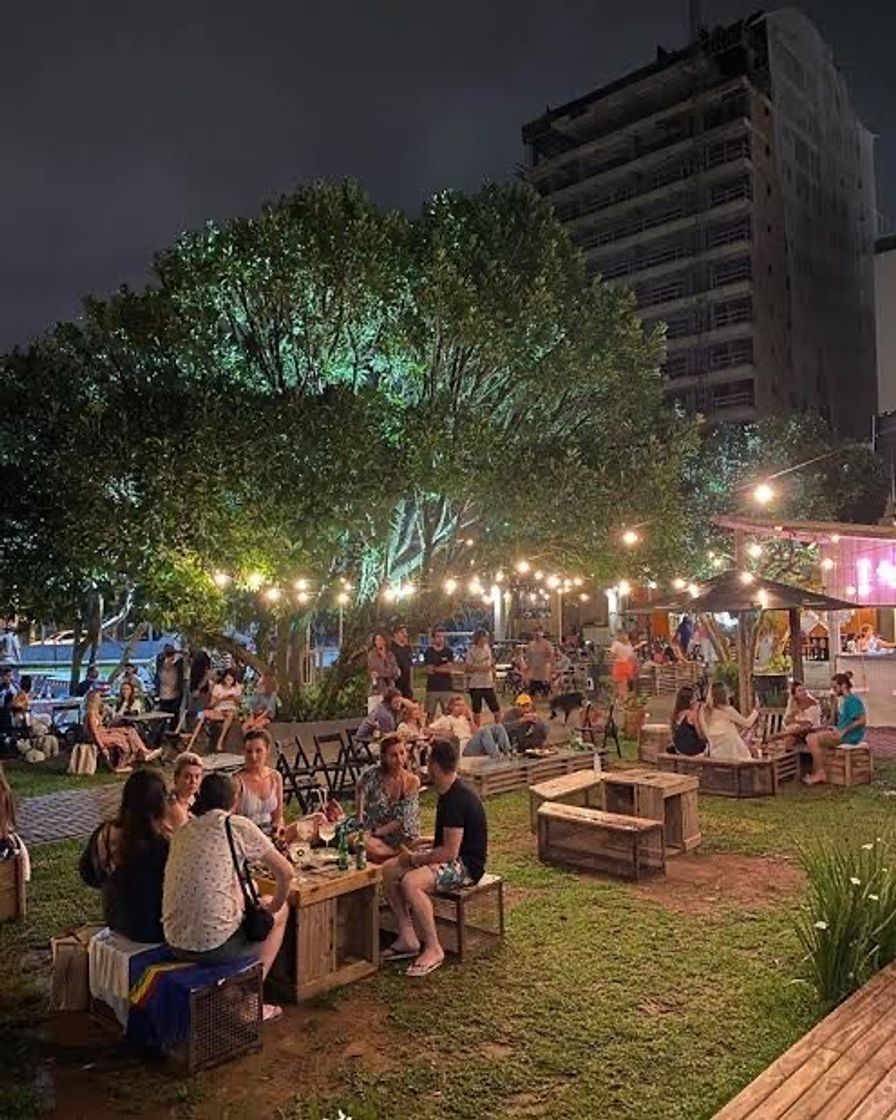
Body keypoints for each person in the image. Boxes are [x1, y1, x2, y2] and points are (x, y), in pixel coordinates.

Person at [162, 772, 292, 1022]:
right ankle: (251, 998)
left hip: (175, 941)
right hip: (213, 947)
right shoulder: (237, 826)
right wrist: (272, 909)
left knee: (248, 893)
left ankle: (232, 989)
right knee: (281, 910)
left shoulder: (185, 830)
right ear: (235, 800)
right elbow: (286, 873)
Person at [382, 736, 487, 977]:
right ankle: (408, 936)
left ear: (435, 766)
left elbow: (450, 852)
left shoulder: (457, 799)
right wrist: (424, 844)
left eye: (428, 762)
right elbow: (448, 841)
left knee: (411, 882)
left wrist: (416, 859)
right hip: (453, 855)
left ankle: (433, 947)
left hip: (467, 866)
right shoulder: (447, 792)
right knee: (389, 870)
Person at [79, 769, 170, 943]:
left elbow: (88, 874)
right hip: (153, 928)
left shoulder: (105, 831)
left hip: (115, 918)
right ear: (160, 803)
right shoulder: (161, 843)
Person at [356, 734, 421, 863]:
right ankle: (400, 855)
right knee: (358, 841)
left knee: (366, 847)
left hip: (402, 834)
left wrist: (376, 832)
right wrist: (360, 817)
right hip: (375, 829)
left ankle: (399, 853)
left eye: (402, 753)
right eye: (393, 755)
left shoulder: (411, 781)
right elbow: (360, 788)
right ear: (384, 757)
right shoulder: (372, 774)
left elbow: (402, 819)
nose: (399, 759)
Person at [804, 673, 867, 785]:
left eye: (835, 687)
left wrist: (843, 731)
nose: (833, 690)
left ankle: (820, 773)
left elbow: (861, 721)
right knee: (814, 736)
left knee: (811, 739)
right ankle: (819, 772)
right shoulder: (844, 700)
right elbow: (844, 721)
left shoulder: (853, 700)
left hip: (849, 736)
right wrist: (830, 727)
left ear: (843, 686)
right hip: (841, 733)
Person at [84, 691, 161, 772]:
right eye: (98, 698)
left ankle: (144, 751)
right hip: (98, 736)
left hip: (104, 731)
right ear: (93, 700)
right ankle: (121, 765)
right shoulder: (90, 714)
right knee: (123, 739)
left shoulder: (96, 712)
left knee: (129, 730)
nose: (100, 700)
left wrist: (104, 715)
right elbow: (94, 732)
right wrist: (102, 747)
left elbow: (100, 725)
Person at [429, 694, 512, 759]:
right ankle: (496, 757)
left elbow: (475, 732)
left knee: (498, 727)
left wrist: (470, 719)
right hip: (463, 747)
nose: (460, 708)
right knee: (484, 730)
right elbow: (427, 730)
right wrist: (444, 732)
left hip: (473, 743)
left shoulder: (465, 718)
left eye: (462, 705)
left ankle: (508, 752)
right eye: (457, 705)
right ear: (451, 706)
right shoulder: (446, 719)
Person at [697, 682, 760, 761]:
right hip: (734, 756)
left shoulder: (704, 712)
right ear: (724, 695)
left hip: (716, 756)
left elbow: (707, 733)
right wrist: (756, 710)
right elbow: (747, 723)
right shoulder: (727, 710)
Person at [186, 668, 243, 752]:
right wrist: (221, 699)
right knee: (202, 714)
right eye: (227, 679)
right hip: (218, 709)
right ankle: (194, 736)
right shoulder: (217, 687)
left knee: (230, 714)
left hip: (231, 709)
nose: (229, 682)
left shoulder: (236, 688)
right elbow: (211, 705)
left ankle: (220, 740)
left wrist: (234, 698)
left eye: (231, 680)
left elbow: (240, 703)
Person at [465, 629, 501, 728]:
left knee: (496, 708)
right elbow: (467, 668)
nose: (486, 639)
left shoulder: (487, 649)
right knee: (477, 710)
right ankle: (477, 729)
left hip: (487, 683)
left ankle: (499, 728)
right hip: (476, 684)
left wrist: (494, 677)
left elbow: (491, 664)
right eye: (484, 637)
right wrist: (480, 669)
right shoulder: (472, 651)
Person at [166, 751, 204, 831]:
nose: (193, 781)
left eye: (197, 776)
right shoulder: (168, 804)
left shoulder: (200, 800)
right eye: (187, 777)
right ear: (176, 778)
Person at [423, 627, 455, 720]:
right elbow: (428, 669)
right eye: (438, 636)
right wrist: (442, 667)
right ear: (433, 638)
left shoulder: (448, 651)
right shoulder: (428, 652)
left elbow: (449, 669)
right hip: (432, 688)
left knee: (448, 714)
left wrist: (435, 669)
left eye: (442, 636)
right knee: (430, 714)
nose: (440, 639)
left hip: (446, 688)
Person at [781, 681, 822, 748]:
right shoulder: (793, 705)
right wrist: (795, 721)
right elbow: (786, 721)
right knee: (790, 739)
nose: (803, 692)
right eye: (800, 691)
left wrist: (795, 721)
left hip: (812, 732)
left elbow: (811, 723)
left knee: (791, 736)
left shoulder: (813, 704)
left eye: (804, 689)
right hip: (797, 733)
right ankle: (790, 757)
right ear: (795, 695)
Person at [367, 632, 400, 714]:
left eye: (381, 640)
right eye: (377, 640)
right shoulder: (372, 655)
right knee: (375, 715)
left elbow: (396, 673)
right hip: (377, 689)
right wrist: (386, 671)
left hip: (389, 689)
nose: (379, 642)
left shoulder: (390, 655)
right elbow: (375, 671)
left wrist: (385, 659)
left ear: (385, 641)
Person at [670, 685, 705, 756]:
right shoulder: (691, 714)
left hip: (679, 748)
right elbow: (700, 734)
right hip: (691, 749)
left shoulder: (676, 714)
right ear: (690, 700)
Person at [524, 627, 555, 698]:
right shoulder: (531, 645)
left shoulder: (547, 644)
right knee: (532, 690)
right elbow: (528, 658)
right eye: (535, 633)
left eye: (538, 633)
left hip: (543, 671)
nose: (537, 635)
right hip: (533, 671)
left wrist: (550, 669)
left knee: (545, 689)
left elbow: (551, 657)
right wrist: (527, 669)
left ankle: (545, 701)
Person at [156, 646, 184, 723]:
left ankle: (173, 733)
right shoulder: (161, 663)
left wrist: (177, 652)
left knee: (174, 718)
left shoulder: (178, 665)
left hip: (175, 695)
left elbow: (183, 656)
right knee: (162, 718)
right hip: (163, 695)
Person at [608, 630, 638, 700]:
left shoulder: (623, 644)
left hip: (624, 665)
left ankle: (624, 701)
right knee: (624, 686)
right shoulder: (622, 644)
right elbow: (631, 656)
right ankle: (624, 701)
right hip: (624, 665)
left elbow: (612, 655)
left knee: (624, 687)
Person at [390, 623, 415, 702]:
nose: (405, 635)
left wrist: (411, 686)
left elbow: (410, 667)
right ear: (395, 634)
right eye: (402, 632)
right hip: (396, 685)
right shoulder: (391, 649)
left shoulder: (408, 648)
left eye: (405, 632)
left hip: (406, 686)